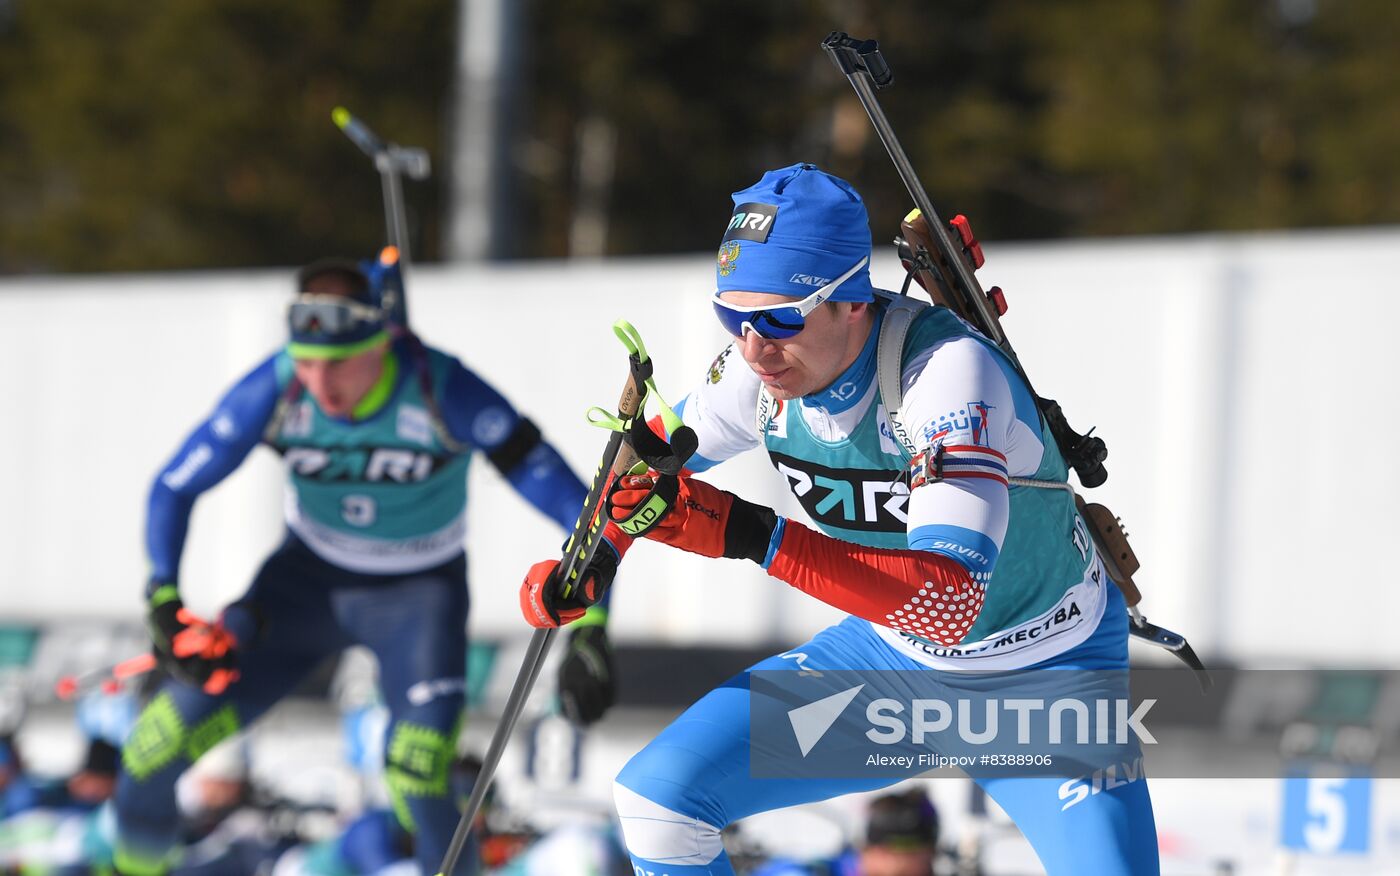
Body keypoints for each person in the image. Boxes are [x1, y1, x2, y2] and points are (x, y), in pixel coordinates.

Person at [519, 164, 1157, 874]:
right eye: (732, 318)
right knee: (658, 805)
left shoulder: (945, 374)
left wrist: (749, 535)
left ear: (851, 301)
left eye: (780, 319)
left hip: (1042, 677)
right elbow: (641, 472)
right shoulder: (752, 373)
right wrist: (591, 560)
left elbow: (948, 601)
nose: (754, 348)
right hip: (893, 669)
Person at [113, 258, 613, 876]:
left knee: (418, 773)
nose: (321, 383)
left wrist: (592, 625)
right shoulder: (278, 387)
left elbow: (582, 511)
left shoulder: (440, 387)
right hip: (303, 588)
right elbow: (172, 488)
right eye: (306, 360)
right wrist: (163, 601)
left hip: (418, 599)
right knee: (150, 749)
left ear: (382, 343)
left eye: (339, 363)